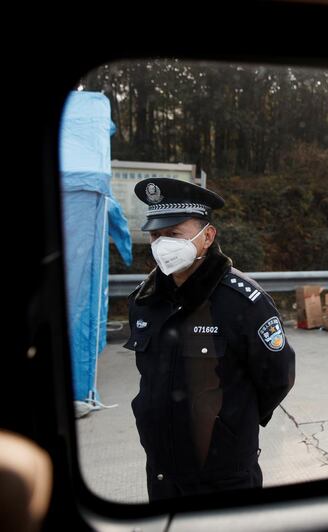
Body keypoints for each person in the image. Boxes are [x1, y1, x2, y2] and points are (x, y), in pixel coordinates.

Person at [124, 178, 295, 500]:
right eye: (156, 235)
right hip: (162, 469)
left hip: (223, 472)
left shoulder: (242, 302)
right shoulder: (145, 301)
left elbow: (278, 376)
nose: (162, 244)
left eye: (174, 234)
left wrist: (231, 423)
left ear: (208, 237)